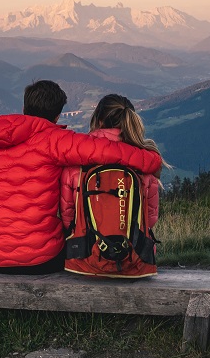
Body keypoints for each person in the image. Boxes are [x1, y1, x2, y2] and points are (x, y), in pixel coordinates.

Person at [0, 80, 163, 274]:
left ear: (24, 109)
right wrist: (151, 160)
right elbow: (106, 150)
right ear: (57, 116)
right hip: (44, 260)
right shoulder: (55, 140)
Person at [59, 94, 166, 277]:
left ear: (99, 120)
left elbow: (68, 219)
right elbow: (150, 219)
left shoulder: (76, 166)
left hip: (84, 262)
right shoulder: (144, 164)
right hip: (135, 262)